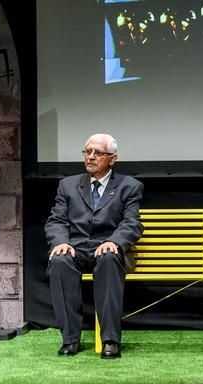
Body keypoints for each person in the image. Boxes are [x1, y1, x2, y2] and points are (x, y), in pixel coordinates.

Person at [45, 133, 143, 359]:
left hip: (108, 248)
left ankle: (110, 340)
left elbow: (132, 223)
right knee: (59, 261)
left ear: (113, 159)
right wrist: (61, 242)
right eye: (87, 152)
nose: (90, 157)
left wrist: (114, 242)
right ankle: (70, 339)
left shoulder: (130, 186)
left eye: (97, 153)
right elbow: (56, 220)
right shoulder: (67, 186)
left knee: (108, 258)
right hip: (77, 248)